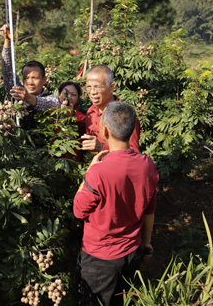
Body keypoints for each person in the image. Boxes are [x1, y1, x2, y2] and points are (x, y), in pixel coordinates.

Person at [73, 101, 158, 306]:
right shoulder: (147, 165)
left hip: (100, 257)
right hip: (132, 250)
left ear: (104, 130)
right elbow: (149, 209)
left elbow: (78, 210)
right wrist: (146, 242)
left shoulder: (99, 171)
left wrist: (89, 171)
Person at [0, 24, 60, 129]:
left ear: (44, 80)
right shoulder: (17, 95)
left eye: (34, 78)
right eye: (26, 78)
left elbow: (47, 104)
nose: (30, 82)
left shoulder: (52, 100)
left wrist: (27, 98)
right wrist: (8, 39)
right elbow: (7, 69)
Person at [81, 65, 140, 154]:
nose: (92, 92)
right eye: (88, 87)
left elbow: (134, 154)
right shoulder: (91, 111)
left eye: (98, 87)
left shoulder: (123, 115)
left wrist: (102, 147)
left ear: (112, 87)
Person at [58, 81, 86, 161]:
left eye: (73, 95)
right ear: (59, 95)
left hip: (72, 161)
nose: (69, 97)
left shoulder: (82, 118)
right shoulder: (50, 114)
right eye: (66, 94)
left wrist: (68, 118)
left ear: (78, 98)